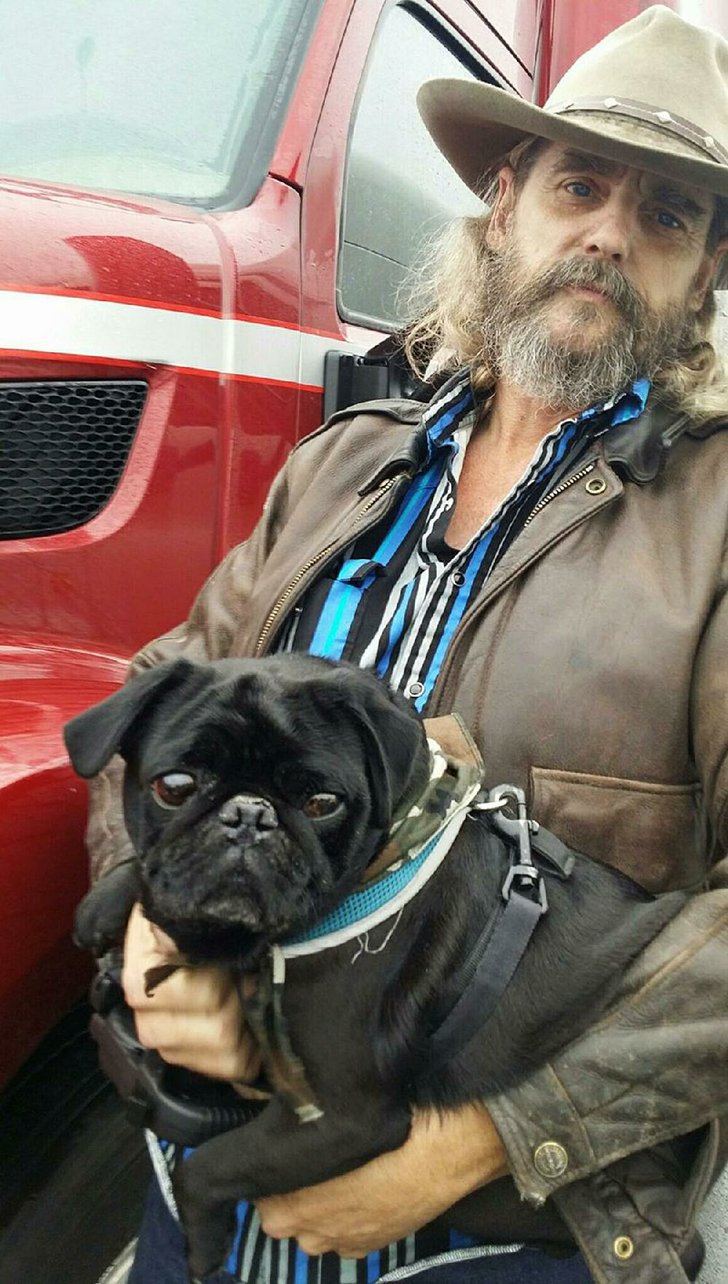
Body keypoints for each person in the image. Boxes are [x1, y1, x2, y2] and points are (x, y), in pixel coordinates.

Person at [85, 7, 728, 1283]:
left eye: (665, 216)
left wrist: (476, 1139)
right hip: (206, 1172)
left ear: (703, 275)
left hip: (490, 1233)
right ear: (504, 206)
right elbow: (152, 709)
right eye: (578, 185)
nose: (606, 233)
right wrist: (150, 940)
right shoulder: (340, 465)